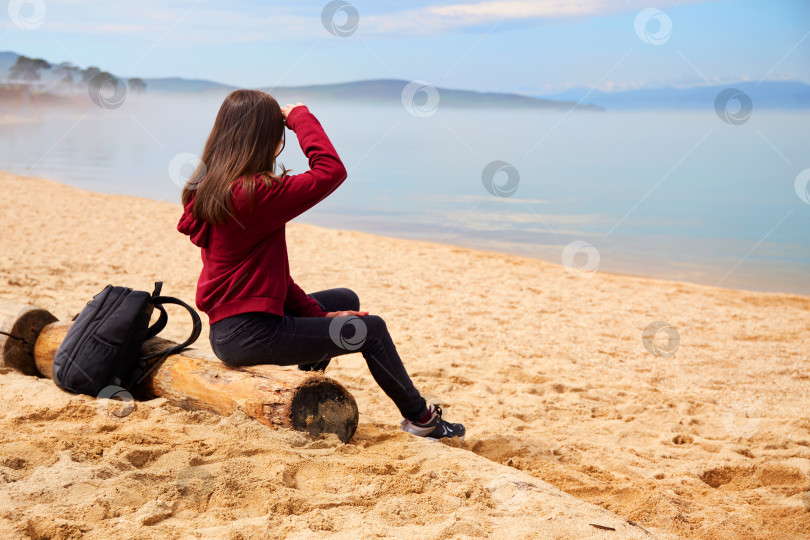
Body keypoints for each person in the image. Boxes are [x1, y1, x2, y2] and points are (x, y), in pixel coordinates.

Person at [176, 89, 465, 441]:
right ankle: (422, 420)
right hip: (252, 334)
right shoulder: (255, 194)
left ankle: (305, 389)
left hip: (232, 328)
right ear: (267, 138)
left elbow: (275, 277)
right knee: (370, 330)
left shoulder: (209, 189)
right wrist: (299, 116)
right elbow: (330, 170)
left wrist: (317, 315)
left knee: (344, 300)